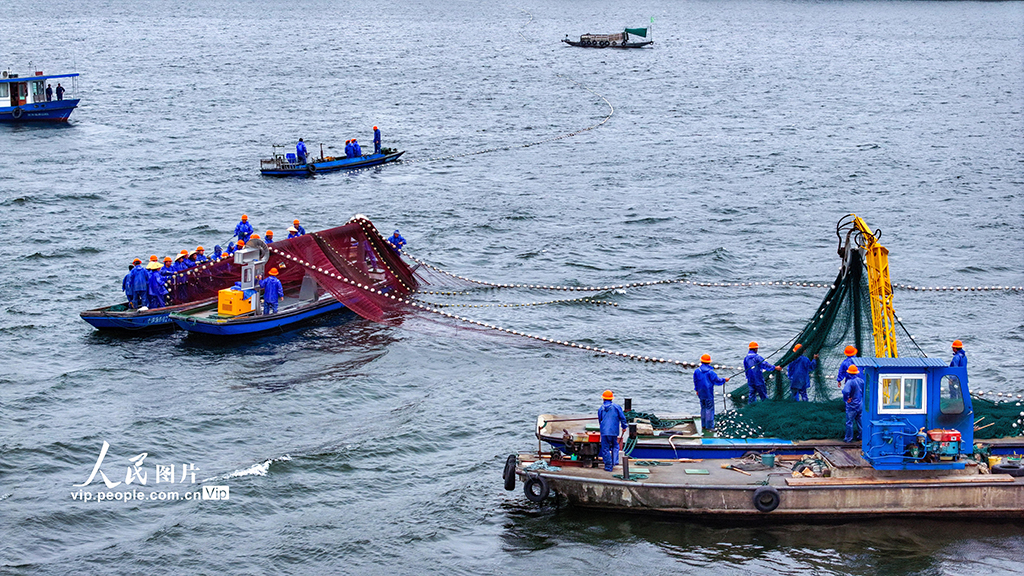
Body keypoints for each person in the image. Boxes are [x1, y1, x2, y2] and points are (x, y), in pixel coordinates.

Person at [694, 354, 729, 434]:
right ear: (709, 362)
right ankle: (709, 427)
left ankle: (703, 425)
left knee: (703, 408)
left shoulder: (697, 371)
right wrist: (724, 380)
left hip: (700, 392)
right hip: (708, 392)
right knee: (709, 409)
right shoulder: (710, 372)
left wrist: (696, 390)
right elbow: (717, 381)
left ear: (701, 361)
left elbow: (695, 381)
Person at [597, 390, 628, 472]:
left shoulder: (601, 409)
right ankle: (615, 462)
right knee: (615, 446)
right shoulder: (617, 407)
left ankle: (608, 466)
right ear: (611, 398)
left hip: (604, 431)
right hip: (614, 431)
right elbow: (622, 418)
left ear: (603, 399)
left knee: (605, 448)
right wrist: (624, 427)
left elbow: (600, 420)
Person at [841, 365, 864, 443]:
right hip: (860, 404)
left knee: (849, 422)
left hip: (852, 405)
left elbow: (845, 391)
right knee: (860, 420)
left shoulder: (849, 382)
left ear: (849, 373)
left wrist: (846, 399)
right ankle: (861, 436)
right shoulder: (861, 381)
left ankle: (848, 438)